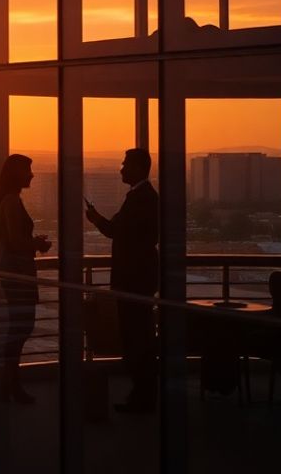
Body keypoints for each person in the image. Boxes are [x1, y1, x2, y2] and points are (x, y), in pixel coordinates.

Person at [84, 147, 159, 412]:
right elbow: (121, 231)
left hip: (133, 280)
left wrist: (96, 220)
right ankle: (142, 394)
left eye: (125, 164)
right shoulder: (143, 197)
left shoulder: (140, 199)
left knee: (136, 337)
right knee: (139, 336)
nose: (121, 168)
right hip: (139, 279)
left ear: (138, 168)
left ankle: (142, 395)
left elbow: (118, 231)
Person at [0, 153, 51, 404]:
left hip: (16, 271)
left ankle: (9, 384)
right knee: (20, 328)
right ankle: (10, 385)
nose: (32, 174)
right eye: (28, 170)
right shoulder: (11, 202)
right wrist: (36, 244)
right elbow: (16, 241)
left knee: (19, 328)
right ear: (16, 173)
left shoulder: (9, 200)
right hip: (18, 273)